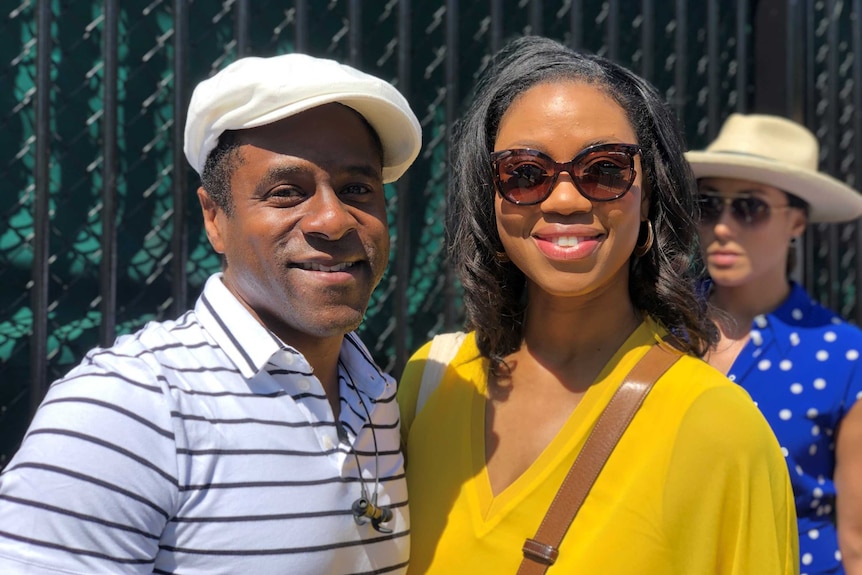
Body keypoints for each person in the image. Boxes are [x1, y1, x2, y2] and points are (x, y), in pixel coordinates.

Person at [0, 53, 421, 574]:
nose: (333, 220)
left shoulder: (378, 397)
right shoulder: (128, 407)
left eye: (358, 189)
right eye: (287, 192)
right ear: (214, 218)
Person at [397, 35, 798, 574]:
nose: (565, 198)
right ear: (487, 197)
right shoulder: (430, 385)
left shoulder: (719, 429)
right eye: (523, 173)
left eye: (606, 170)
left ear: (650, 196)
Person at [686, 113, 862, 575]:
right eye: (708, 205)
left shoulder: (844, 355)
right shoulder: (655, 329)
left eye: (750, 207)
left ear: (797, 223)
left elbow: (857, 537)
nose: (723, 227)